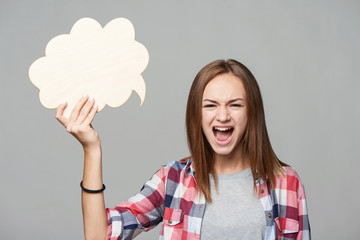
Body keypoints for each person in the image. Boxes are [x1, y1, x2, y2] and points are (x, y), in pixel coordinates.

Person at [56, 59, 311, 240]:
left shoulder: (286, 182)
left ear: (251, 113)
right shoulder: (172, 180)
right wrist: (92, 149)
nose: (222, 115)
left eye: (235, 105)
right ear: (196, 115)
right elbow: (100, 235)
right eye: (210, 105)